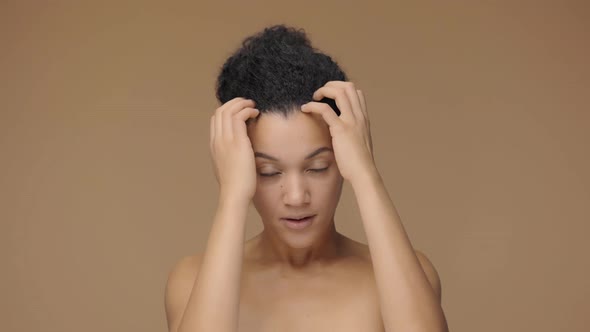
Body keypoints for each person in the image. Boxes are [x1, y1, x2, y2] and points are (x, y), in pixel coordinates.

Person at [164, 24, 449, 332]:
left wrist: (367, 175)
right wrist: (231, 198)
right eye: (268, 172)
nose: (297, 197)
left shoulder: (408, 274)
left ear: (342, 161)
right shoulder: (191, 281)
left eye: (318, 167)